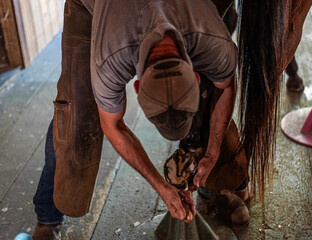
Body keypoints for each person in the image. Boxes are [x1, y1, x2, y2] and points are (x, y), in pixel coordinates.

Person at [32, 0, 252, 239]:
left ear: (196, 78)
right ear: (135, 87)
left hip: (179, 16)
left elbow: (226, 86)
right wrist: (160, 185)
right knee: (77, 113)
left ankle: (212, 188)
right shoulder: (111, 58)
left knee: (212, 98)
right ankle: (47, 215)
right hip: (92, 8)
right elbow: (112, 125)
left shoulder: (212, 40)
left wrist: (212, 152)